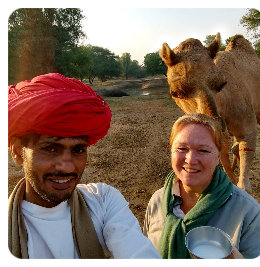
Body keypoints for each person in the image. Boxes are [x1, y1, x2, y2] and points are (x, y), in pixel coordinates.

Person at [8, 73, 160, 259]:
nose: (67, 167)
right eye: (50, 148)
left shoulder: (103, 202)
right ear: (17, 152)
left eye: (78, 150)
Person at [143, 113, 260, 259]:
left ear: (218, 156)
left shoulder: (247, 212)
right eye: (182, 148)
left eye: (203, 150)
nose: (191, 160)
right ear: (171, 151)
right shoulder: (158, 201)